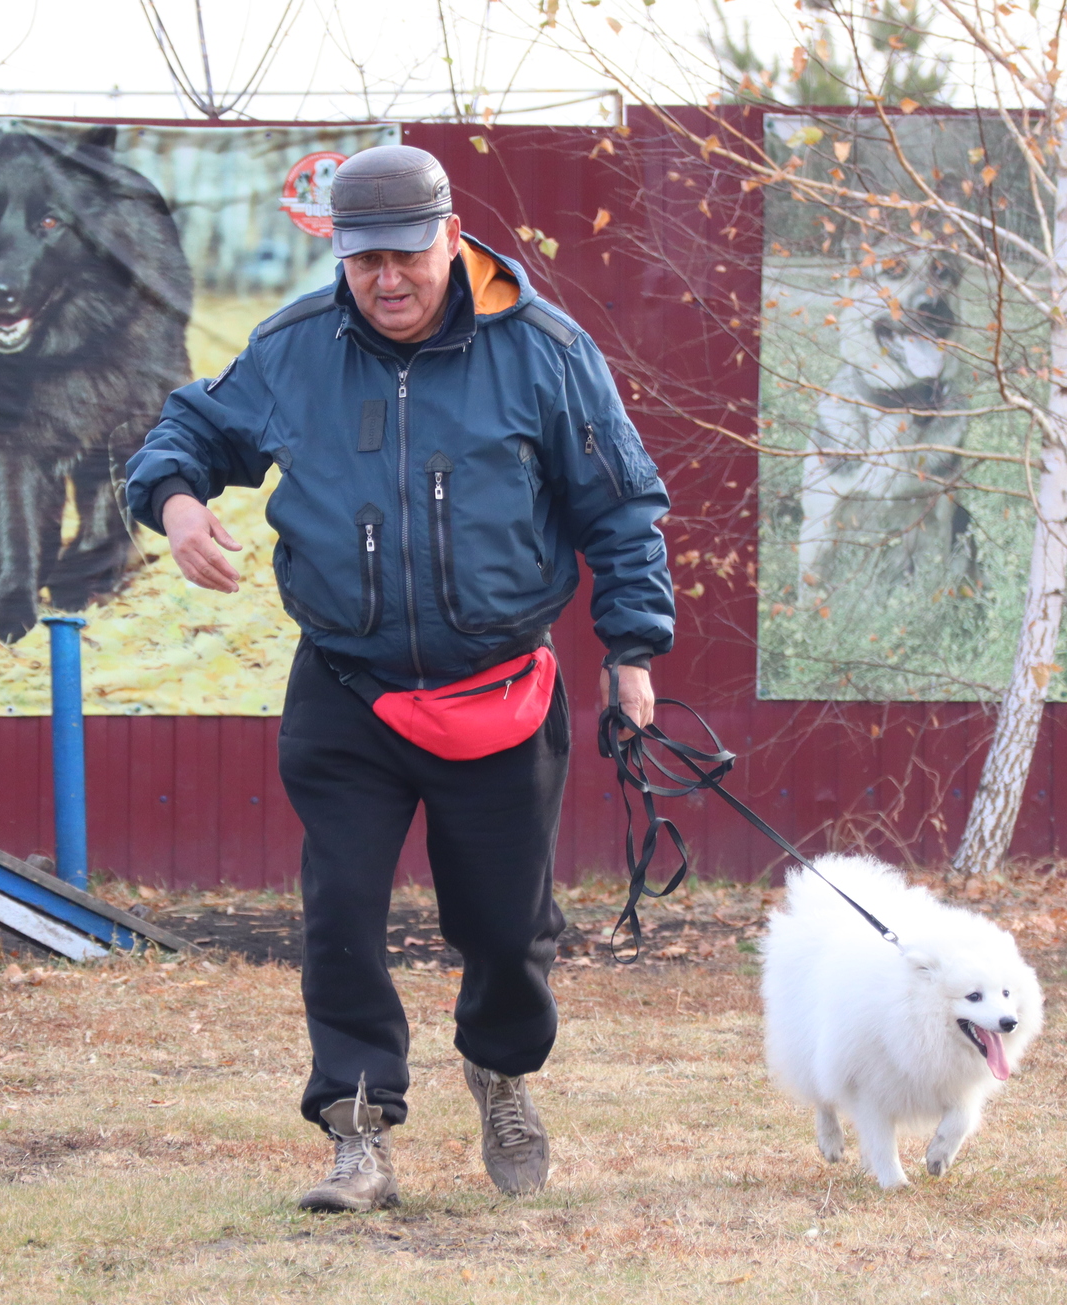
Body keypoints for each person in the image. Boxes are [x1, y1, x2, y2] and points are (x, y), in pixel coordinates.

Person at [124, 145, 674, 1212]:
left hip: (501, 685)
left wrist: (634, 654)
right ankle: (357, 1126)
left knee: (506, 927)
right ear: (339, 252)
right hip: (346, 684)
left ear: (450, 237)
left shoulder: (546, 352)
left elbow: (621, 509)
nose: (386, 280)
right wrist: (180, 505)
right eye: (363, 258)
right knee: (340, 914)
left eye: (406, 256)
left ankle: (502, 1071)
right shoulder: (295, 348)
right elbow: (187, 429)